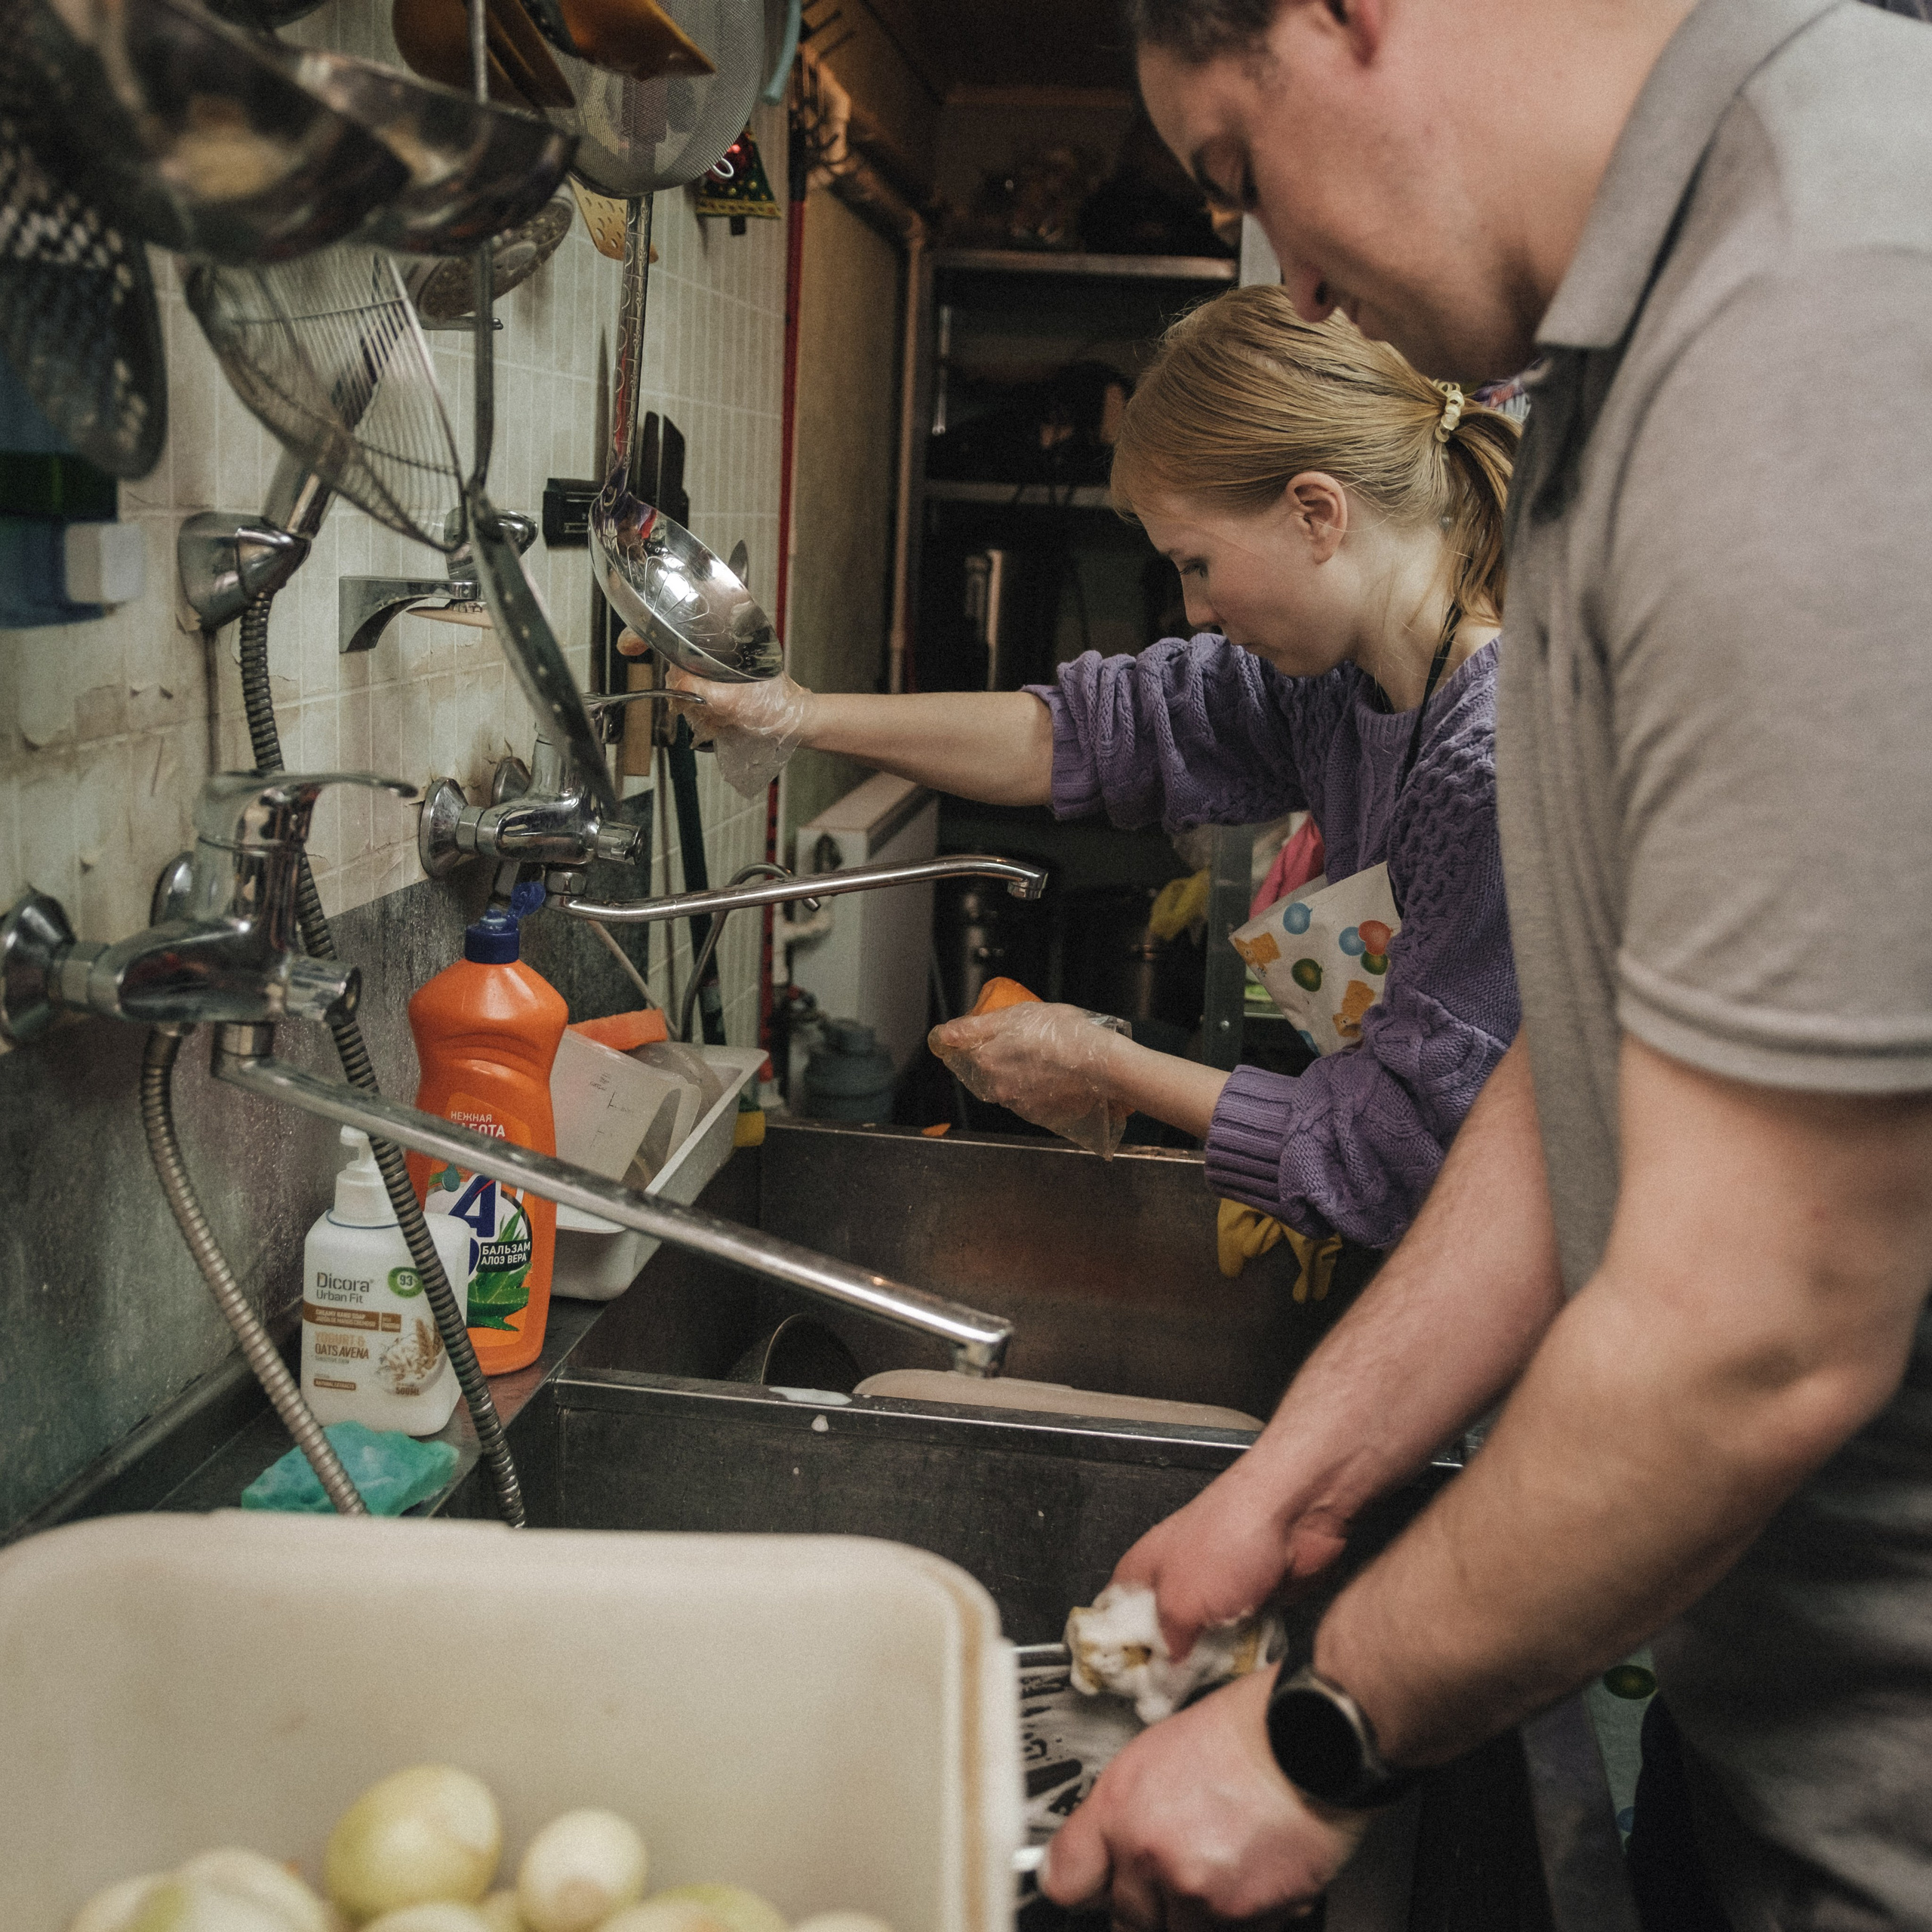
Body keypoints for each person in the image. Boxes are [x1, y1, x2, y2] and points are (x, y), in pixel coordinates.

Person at [1025, 2, 1932, 1928]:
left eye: (1236, 175)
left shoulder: (1829, 307)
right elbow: (1596, 1057)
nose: (1288, 276)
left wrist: (1319, 1732)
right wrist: (1298, 1474)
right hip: (1783, 1706)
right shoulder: (1641, 343)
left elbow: (1756, 1316)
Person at [644, 289, 1521, 1262]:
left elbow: (1399, 1157)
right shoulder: (1344, 684)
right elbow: (1091, 736)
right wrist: (798, 715)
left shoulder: (1488, 766)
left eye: (1195, 564)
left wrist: (1105, 1062)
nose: (1191, 611)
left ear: (1316, 513)